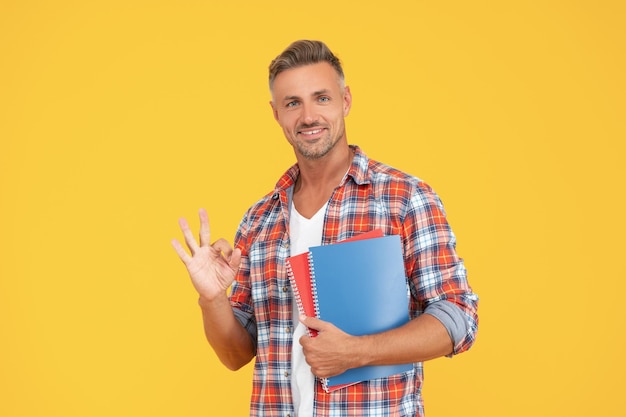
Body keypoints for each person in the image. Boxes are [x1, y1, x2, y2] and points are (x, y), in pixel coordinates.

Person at [172, 40, 479, 417]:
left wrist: (358, 351)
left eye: (321, 98)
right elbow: (236, 355)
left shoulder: (404, 198)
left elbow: (459, 318)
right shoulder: (259, 219)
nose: (308, 116)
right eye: (292, 103)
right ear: (276, 114)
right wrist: (212, 299)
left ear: (345, 100)